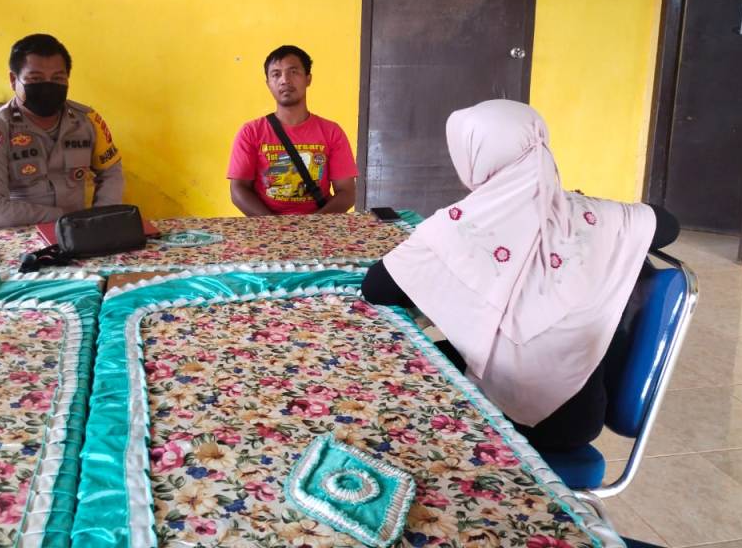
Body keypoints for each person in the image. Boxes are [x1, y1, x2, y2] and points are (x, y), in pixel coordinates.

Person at [361, 99, 679, 451]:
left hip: (495, 418)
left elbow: (377, 288)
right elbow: (668, 225)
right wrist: (581, 206)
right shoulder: (593, 216)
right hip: (579, 417)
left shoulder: (458, 226)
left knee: (383, 378)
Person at [0, 33, 123, 228]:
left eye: (57, 78)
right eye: (35, 78)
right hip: (15, 233)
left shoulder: (87, 121)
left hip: (75, 232)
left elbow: (111, 171)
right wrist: (64, 216)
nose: (48, 87)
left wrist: (101, 217)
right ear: (13, 80)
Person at [227, 45, 358, 216]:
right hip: (266, 224)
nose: (285, 80)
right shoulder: (250, 132)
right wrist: (273, 225)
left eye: (293, 72)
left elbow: (347, 193)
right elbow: (238, 189)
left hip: (319, 224)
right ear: (268, 84)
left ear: (308, 79)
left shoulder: (332, 132)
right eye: (276, 74)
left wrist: (313, 225)